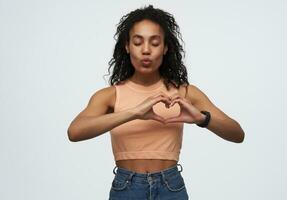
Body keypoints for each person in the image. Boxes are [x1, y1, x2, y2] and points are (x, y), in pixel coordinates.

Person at [67, 5, 245, 200]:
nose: (146, 50)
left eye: (154, 42)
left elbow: (237, 134)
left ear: (165, 47)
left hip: (171, 187)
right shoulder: (109, 96)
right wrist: (133, 112)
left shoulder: (185, 92)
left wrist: (202, 119)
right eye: (137, 42)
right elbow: (75, 132)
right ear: (127, 46)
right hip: (127, 188)